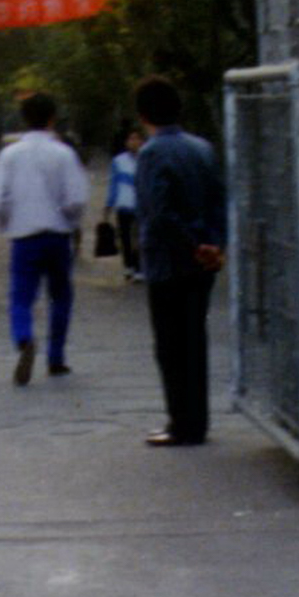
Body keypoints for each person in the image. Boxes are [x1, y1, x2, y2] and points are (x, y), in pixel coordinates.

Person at [132, 76, 226, 447]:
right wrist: (213, 244)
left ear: (143, 115)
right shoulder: (202, 148)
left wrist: (191, 245)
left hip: (168, 261)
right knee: (194, 339)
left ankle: (180, 423)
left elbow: (158, 212)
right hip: (204, 260)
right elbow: (219, 199)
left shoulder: (151, 153)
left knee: (170, 345)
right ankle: (196, 421)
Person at [0, 91, 89, 385]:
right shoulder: (64, 153)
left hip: (24, 237)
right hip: (57, 236)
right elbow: (77, 199)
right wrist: (70, 222)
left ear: (23, 118)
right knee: (61, 296)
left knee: (21, 297)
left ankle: (24, 338)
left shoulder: (10, 155)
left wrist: (7, 224)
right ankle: (56, 358)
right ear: (52, 118)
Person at [102, 128, 143, 280]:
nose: (134, 142)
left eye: (137, 139)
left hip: (141, 206)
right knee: (125, 237)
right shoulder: (118, 161)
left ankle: (139, 267)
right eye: (131, 139)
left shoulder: (147, 159)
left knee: (139, 238)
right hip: (124, 204)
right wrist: (109, 204)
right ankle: (128, 266)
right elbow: (114, 184)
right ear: (126, 142)